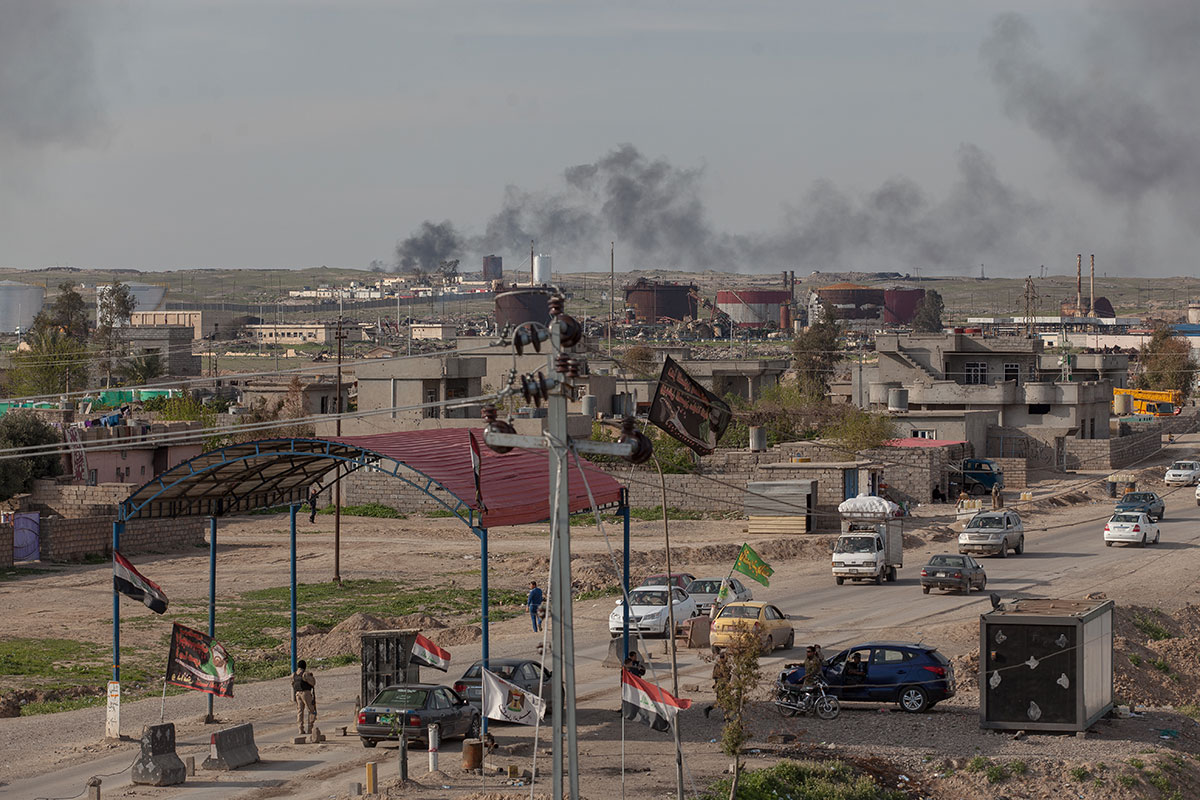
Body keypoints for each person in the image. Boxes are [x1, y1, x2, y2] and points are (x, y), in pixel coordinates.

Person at [293, 659, 316, 735]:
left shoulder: (294, 674)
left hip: (297, 694)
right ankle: (310, 729)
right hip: (305, 693)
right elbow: (313, 683)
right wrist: (311, 676)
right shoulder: (305, 674)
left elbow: (293, 684)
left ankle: (300, 729)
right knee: (311, 710)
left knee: (300, 711)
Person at [703, 650, 729, 718]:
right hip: (721, 686)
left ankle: (708, 709)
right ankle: (726, 717)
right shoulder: (720, 666)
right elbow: (716, 676)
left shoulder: (722, 665)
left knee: (720, 702)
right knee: (724, 702)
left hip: (722, 686)